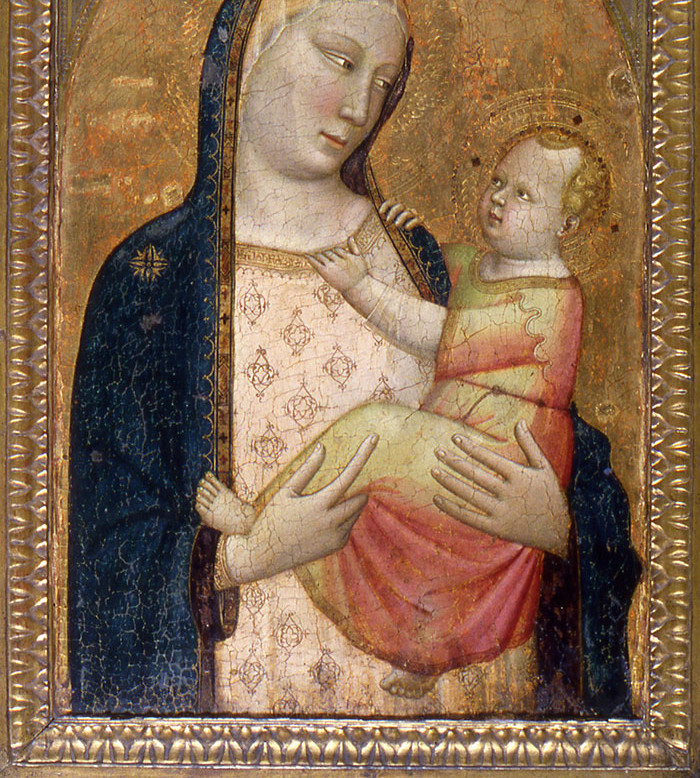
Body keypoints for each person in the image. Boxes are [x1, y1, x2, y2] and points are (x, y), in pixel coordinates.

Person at [68, 0, 640, 718]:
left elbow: (548, 420)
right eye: (340, 60)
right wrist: (245, 555)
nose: (359, 106)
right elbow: (106, 549)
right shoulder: (153, 279)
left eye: (383, 85)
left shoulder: (419, 257)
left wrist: (560, 523)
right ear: (251, 50)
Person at [196, 128, 606, 699]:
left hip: (499, 462)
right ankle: (426, 649)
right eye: (498, 180)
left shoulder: (556, 301)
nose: (499, 198)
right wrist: (407, 238)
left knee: (375, 429)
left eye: (525, 194)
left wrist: (361, 287)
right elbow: (427, 274)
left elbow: (437, 331)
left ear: (567, 223)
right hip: (460, 440)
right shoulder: (475, 265)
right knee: (394, 523)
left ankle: (255, 521)